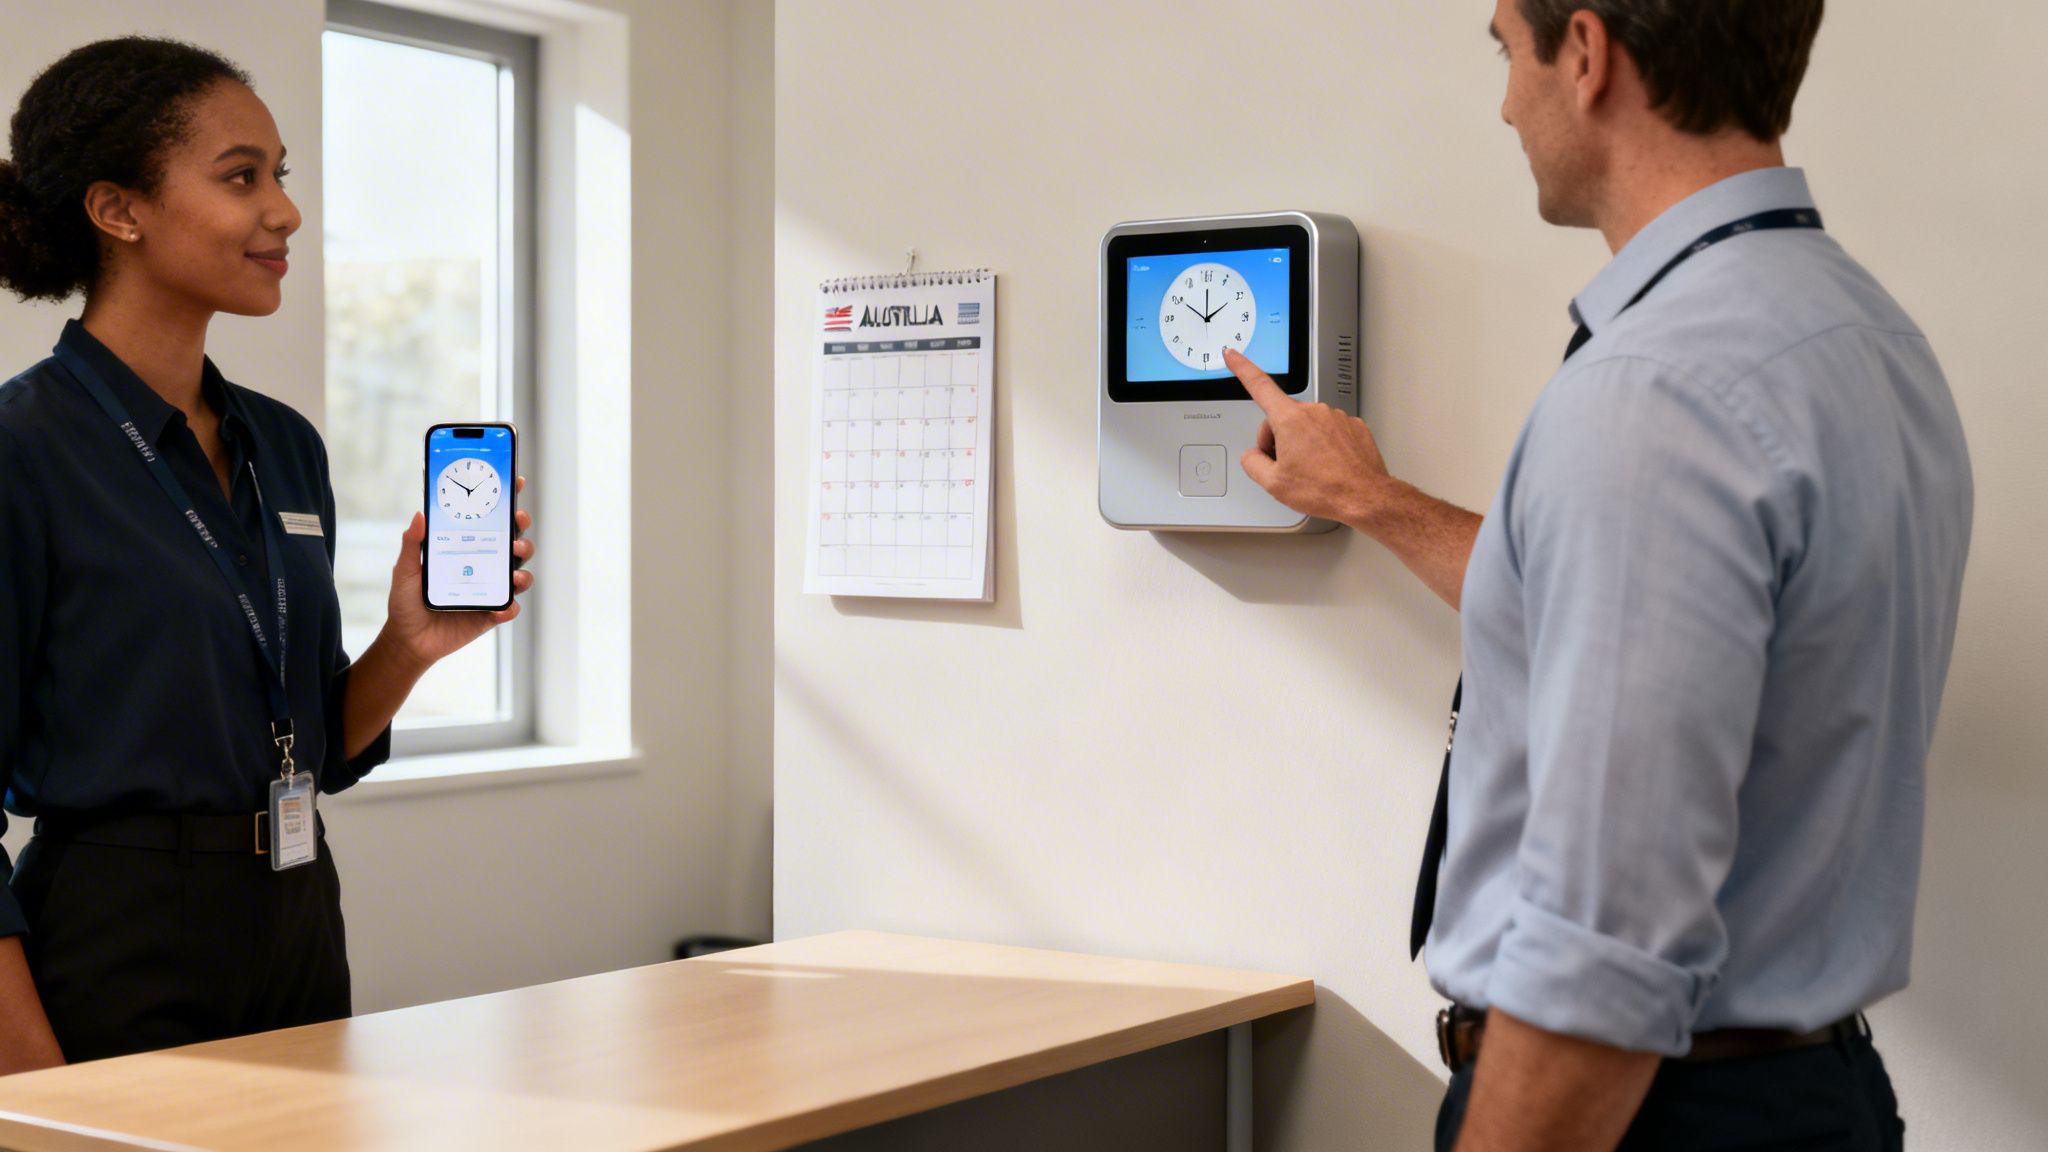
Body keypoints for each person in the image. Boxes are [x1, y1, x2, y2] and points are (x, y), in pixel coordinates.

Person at [1225, 2, 1970, 1149]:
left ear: (1584, 54)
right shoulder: (1856, 333)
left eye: (1506, 53)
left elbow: (1602, 950)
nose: (1504, 102)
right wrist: (1371, 499)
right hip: (1805, 1097)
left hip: (1646, 1112)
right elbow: (1634, 621)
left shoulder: (1657, 389)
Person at [0, 37, 534, 1070]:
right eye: (241, 177)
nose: (284, 211)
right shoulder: (22, 452)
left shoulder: (283, 444)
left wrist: (410, 644)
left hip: (295, 910)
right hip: (117, 936)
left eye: (279, 176)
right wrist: (31, 1089)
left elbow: (319, 750)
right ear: (120, 211)